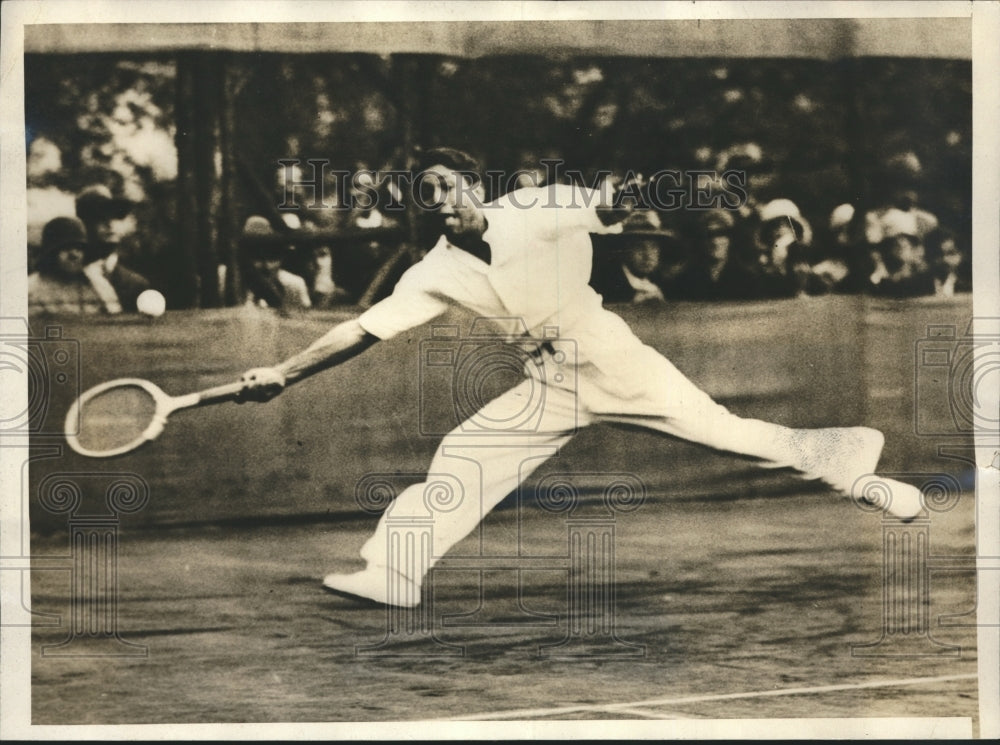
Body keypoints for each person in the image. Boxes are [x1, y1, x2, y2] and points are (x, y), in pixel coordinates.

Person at [236, 147, 924, 608]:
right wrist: (285, 372)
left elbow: (611, 206)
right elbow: (360, 329)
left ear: (475, 185)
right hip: (546, 378)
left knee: (729, 436)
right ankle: (394, 570)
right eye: (427, 194)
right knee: (466, 456)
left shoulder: (539, 208)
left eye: (448, 185)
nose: (440, 200)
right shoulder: (435, 269)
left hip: (607, 355)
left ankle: (847, 463)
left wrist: (638, 192)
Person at [75, 185, 151, 312]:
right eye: (100, 217)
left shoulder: (136, 284)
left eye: (115, 216)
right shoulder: (70, 276)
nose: (110, 224)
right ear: (85, 223)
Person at [589, 211, 685, 304]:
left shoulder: (666, 284)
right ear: (624, 249)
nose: (648, 255)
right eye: (639, 247)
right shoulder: (604, 285)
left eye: (653, 247)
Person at [29, 216, 114, 314]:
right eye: (65, 248)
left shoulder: (97, 286)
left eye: (78, 248)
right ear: (51, 255)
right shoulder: (32, 290)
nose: (74, 255)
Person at [241, 216, 312, 311]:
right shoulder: (226, 281)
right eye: (256, 258)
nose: (266, 266)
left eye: (271, 258)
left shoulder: (293, 285)